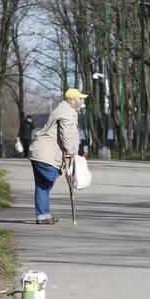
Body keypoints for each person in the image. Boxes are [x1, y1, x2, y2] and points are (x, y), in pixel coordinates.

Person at [29, 88, 87, 224]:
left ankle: (43, 216)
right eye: (80, 98)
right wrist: (69, 153)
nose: (82, 101)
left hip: (39, 153)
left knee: (43, 186)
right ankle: (43, 215)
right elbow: (66, 135)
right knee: (51, 175)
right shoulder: (68, 112)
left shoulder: (62, 109)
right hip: (45, 155)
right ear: (73, 100)